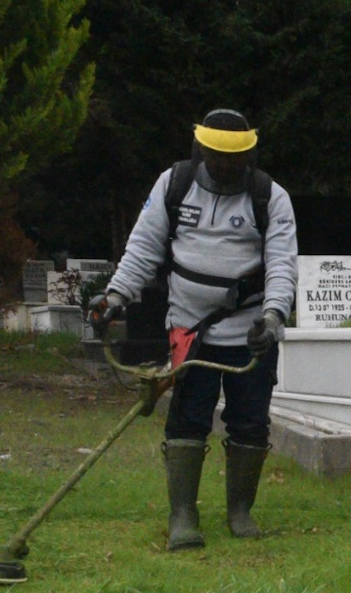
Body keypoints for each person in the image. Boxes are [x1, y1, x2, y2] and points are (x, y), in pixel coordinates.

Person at [95, 109, 299, 550]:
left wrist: (273, 317)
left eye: (235, 158)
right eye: (216, 156)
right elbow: (144, 247)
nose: (225, 166)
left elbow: (282, 262)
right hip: (190, 331)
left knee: (250, 421)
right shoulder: (174, 185)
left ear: (249, 155)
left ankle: (239, 510)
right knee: (187, 418)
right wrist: (115, 298)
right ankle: (183, 514)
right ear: (201, 149)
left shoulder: (270, 197)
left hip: (250, 332)